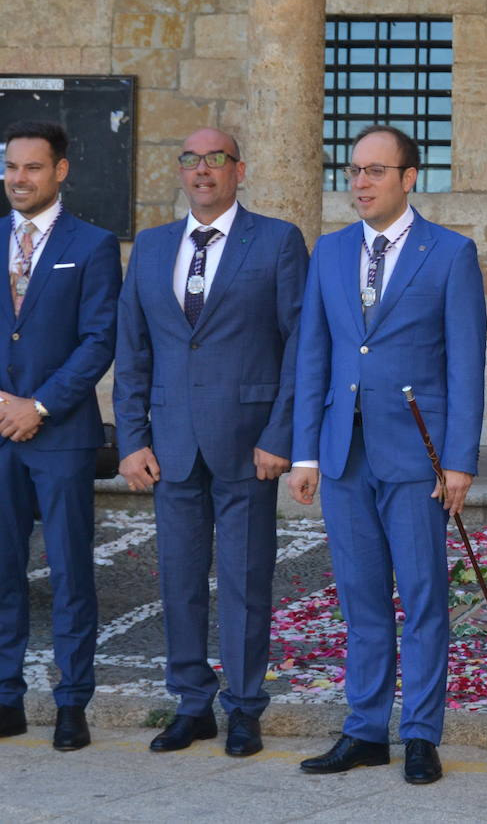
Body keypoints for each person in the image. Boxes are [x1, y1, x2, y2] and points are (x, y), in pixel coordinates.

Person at [287, 124, 486, 785]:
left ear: (409, 178)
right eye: (354, 171)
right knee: (361, 597)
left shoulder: (450, 254)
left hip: (416, 457)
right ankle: (366, 729)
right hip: (343, 452)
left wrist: (458, 462)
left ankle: (422, 734)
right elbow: (313, 353)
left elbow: (464, 364)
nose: (361, 183)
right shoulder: (331, 252)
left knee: (424, 597)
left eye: (376, 171)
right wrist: (305, 452)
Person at [114, 128, 308, 757]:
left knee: (248, 578)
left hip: (249, 443)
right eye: (191, 160)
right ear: (181, 171)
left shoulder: (276, 240)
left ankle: (245, 706)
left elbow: (299, 345)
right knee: (178, 578)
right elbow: (133, 351)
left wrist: (282, 433)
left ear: (238, 170)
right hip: (168, 445)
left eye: (216, 159)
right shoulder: (150, 248)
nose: (203, 170)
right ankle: (191, 702)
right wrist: (132, 439)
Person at [0, 120, 121, 751]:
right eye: (11, 167)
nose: (19, 179)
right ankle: (5, 697)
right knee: (1, 572)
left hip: (63, 435)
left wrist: (39, 405)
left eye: (32, 168)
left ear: (60, 171)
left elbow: (99, 338)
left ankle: (72, 700)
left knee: (72, 574)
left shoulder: (93, 245)